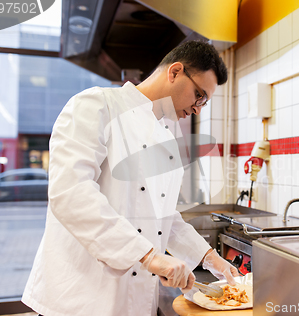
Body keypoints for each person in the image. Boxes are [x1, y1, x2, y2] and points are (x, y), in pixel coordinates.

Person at [22, 40, 240, 316]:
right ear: (174, 72)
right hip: (80, 298)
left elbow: (163, 216)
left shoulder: (167, 136)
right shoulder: (96, 105)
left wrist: (210, 259)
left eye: (204, 102)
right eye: (199, 95)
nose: (198, 108)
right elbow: (70, 193)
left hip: (135, 302)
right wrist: (148, 256)